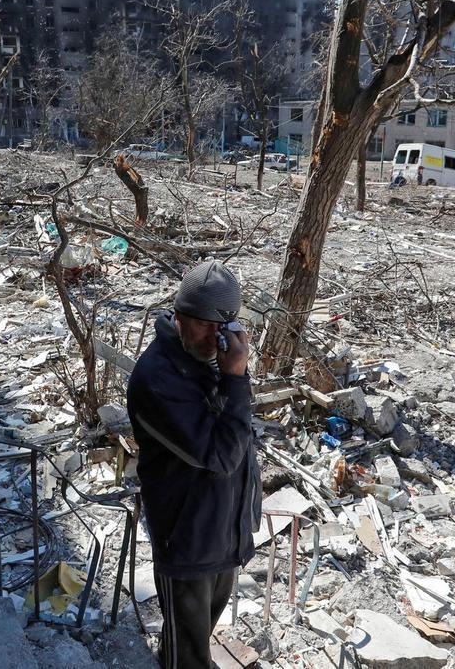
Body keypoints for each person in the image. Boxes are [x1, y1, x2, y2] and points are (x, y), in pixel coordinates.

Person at [126, 259, 261, 669]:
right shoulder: (157, 378)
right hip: (186, 537)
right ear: (180, 317)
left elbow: (236, 433)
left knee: (199, 636)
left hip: (223, 527)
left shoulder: (208, 360)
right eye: (204, 324)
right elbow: (220, 455)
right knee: (187, 655)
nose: (214, 337)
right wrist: (236, 376)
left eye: (224, 326)